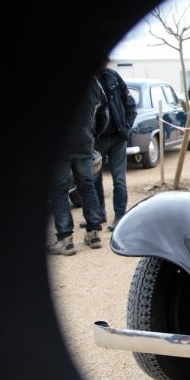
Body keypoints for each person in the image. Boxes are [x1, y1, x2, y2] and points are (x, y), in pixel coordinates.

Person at [48, 78, 109, 255]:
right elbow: (103, 114)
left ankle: (65, 239)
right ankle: (94, 232)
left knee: (59, 191)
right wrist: (92, 135)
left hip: (60, 144)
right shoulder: (93, 82)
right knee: (87, 186)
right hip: (83, 142)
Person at [89, 59, 137, 232]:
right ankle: (99, 214)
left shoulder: (113, 77)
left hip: (118, 138)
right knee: (94, 179)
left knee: (119, 179)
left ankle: (120, 216)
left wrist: (126, 127)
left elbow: (130, 104)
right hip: (97, 140)